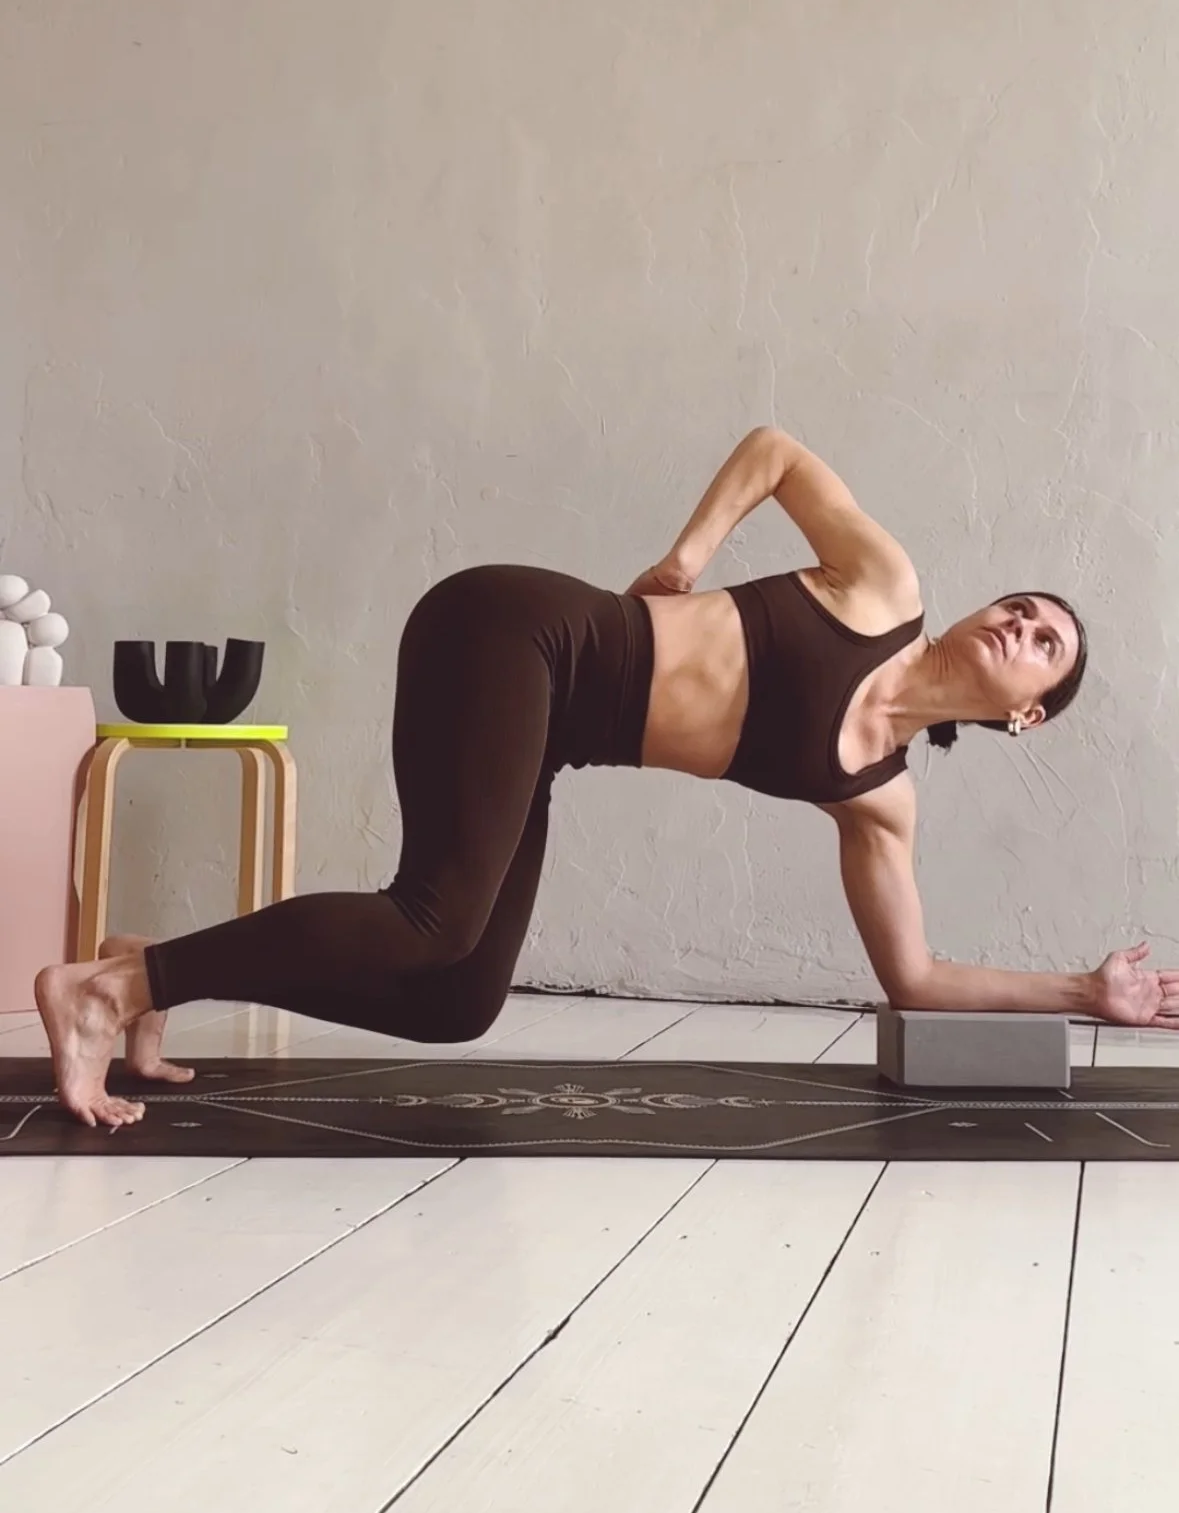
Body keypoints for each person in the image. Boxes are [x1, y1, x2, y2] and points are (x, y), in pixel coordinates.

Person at [36, 423, 1179, 1128]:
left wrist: (1085, 994)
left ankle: (152, 966)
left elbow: (916, 979)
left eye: (1045, 645)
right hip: (515, 632)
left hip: (549, 729)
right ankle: (103, 994)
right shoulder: (885, 588)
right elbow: (777, 450)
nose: (1020, 625)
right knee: (434, 918)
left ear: (1027, 714)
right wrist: (685, 559)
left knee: (457, 998)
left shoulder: (880, 795)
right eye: (1021, 608)